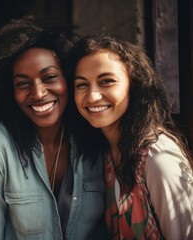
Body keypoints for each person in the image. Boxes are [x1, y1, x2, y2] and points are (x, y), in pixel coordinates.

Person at [0, 16, 107, 240]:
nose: (38, 93)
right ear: (11, 92)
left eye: (49, 77)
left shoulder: (93, 135)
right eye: (23, 83)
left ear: (67, 79)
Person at [71, 33, 193, 239]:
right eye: (82, 84)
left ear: (134, 85)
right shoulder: (106, 154)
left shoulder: (156, 157)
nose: (92, 96)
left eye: (106, 81)